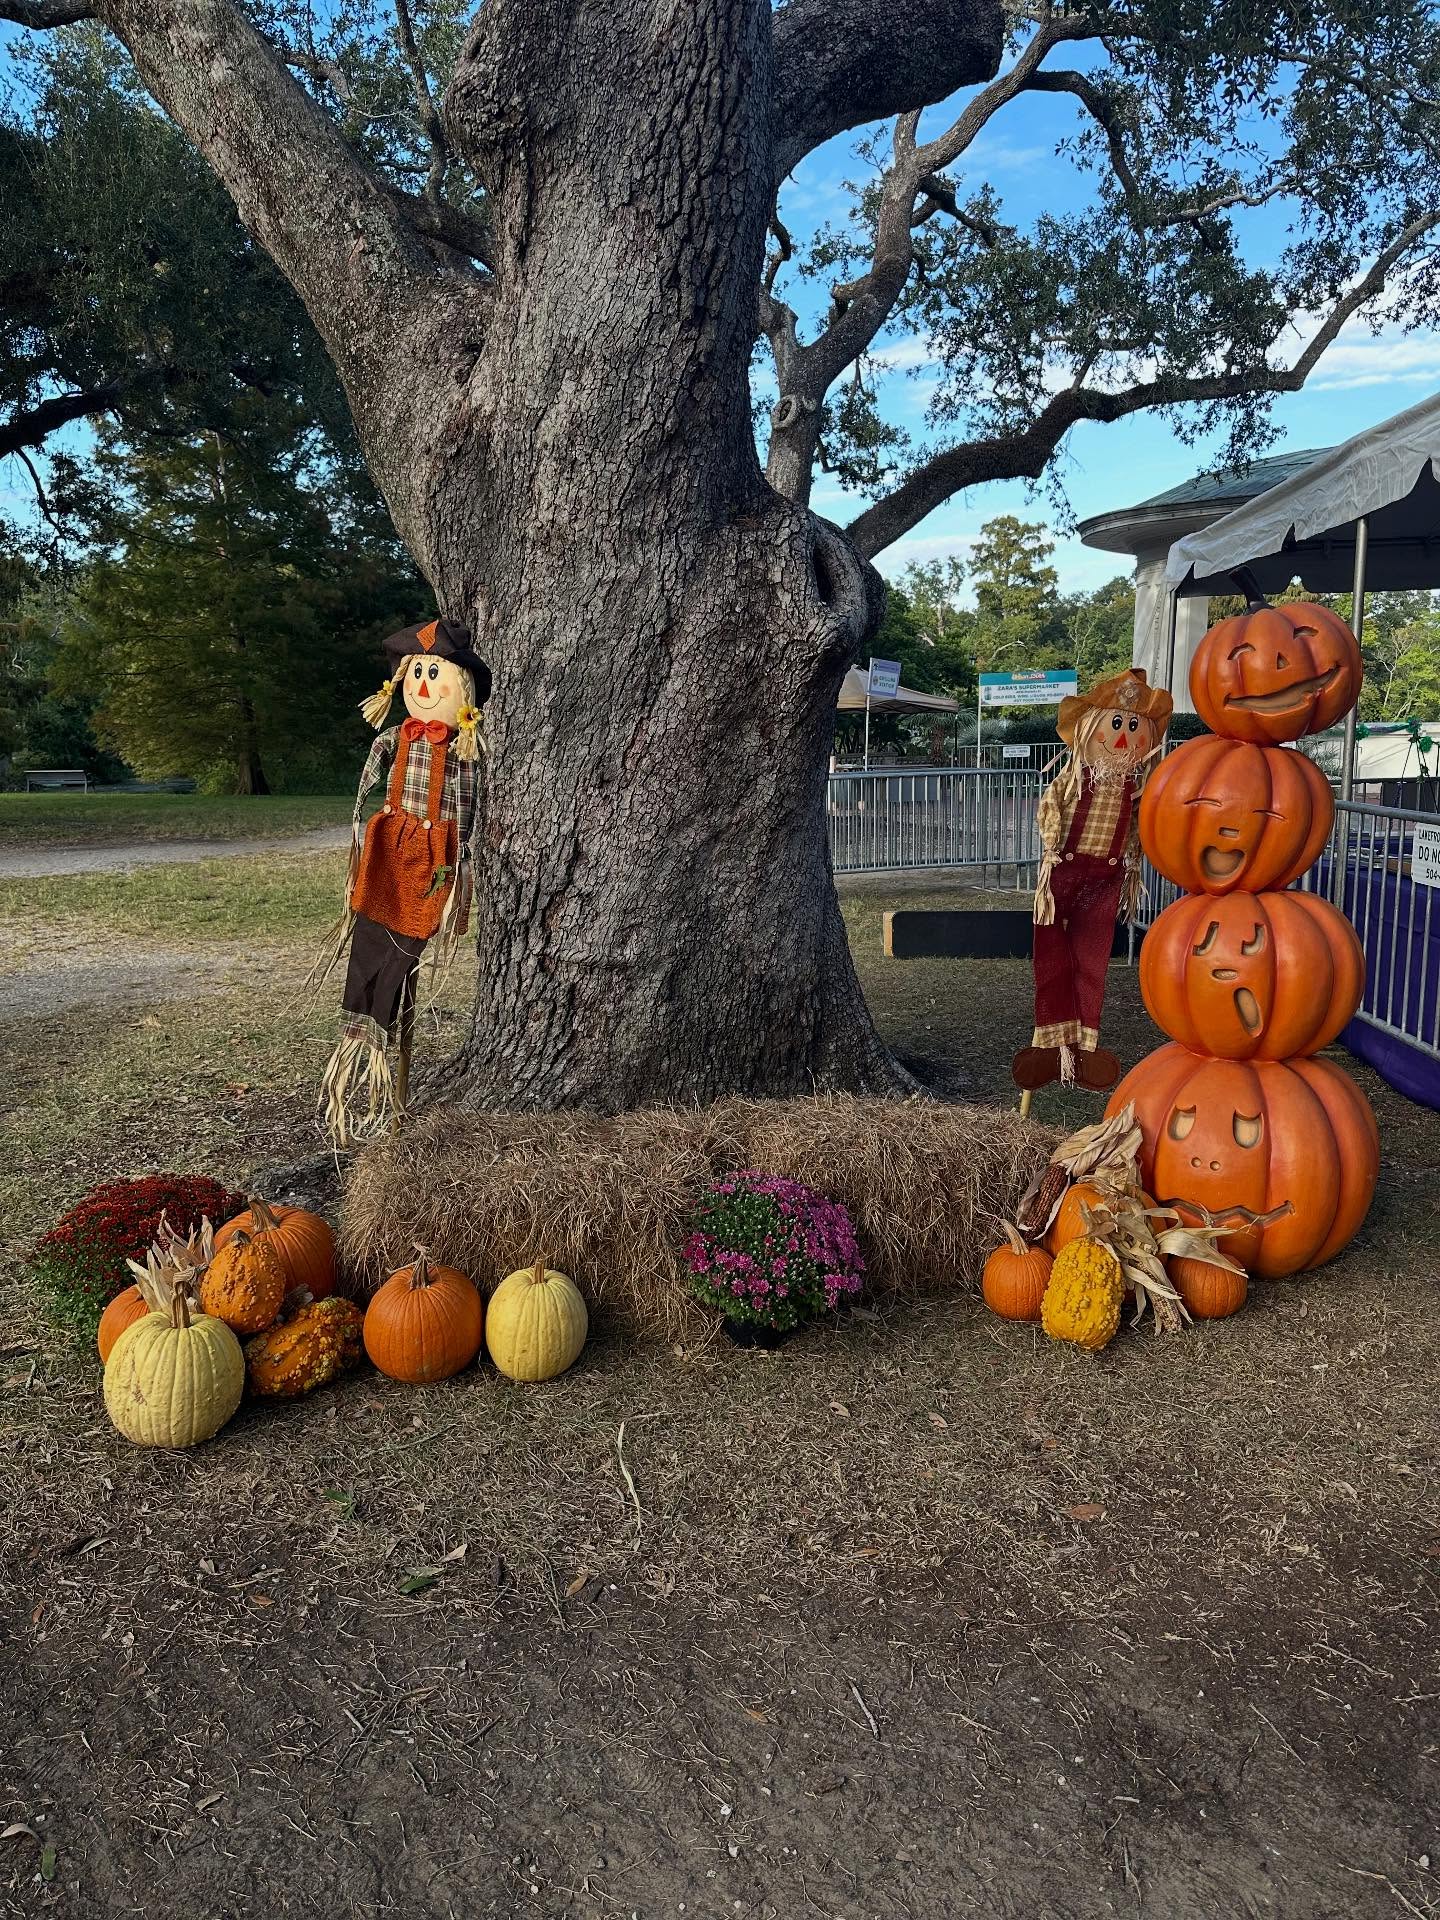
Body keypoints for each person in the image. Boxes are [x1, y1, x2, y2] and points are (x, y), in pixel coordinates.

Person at [315, 616, 490, 1144]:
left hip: (437, 857)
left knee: (407, 944)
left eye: (436, 674)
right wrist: (358, 829)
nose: (424, 686)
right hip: (390, 849)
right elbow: (366, 785)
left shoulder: (466, 747)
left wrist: (463, 863)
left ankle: (389, 1069)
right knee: (373, 934)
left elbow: (474, 807)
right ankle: (364, 1041)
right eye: (417, 673)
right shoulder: (395, 738)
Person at [1011, 667, 1172, 1092]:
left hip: (1106, 878)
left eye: (1134, 728)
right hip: (1062, 873)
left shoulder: (1135, 790)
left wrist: (1134, 858)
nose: (1123, 737)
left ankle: (1084, 1048)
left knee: (1092, 958)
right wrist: (1051, 846)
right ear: (1088, 729)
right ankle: (1049, 1046)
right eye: (1116, 724)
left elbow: (1137, 828)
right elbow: (1051, 806)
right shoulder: (1074, 777)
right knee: (1051, 954)